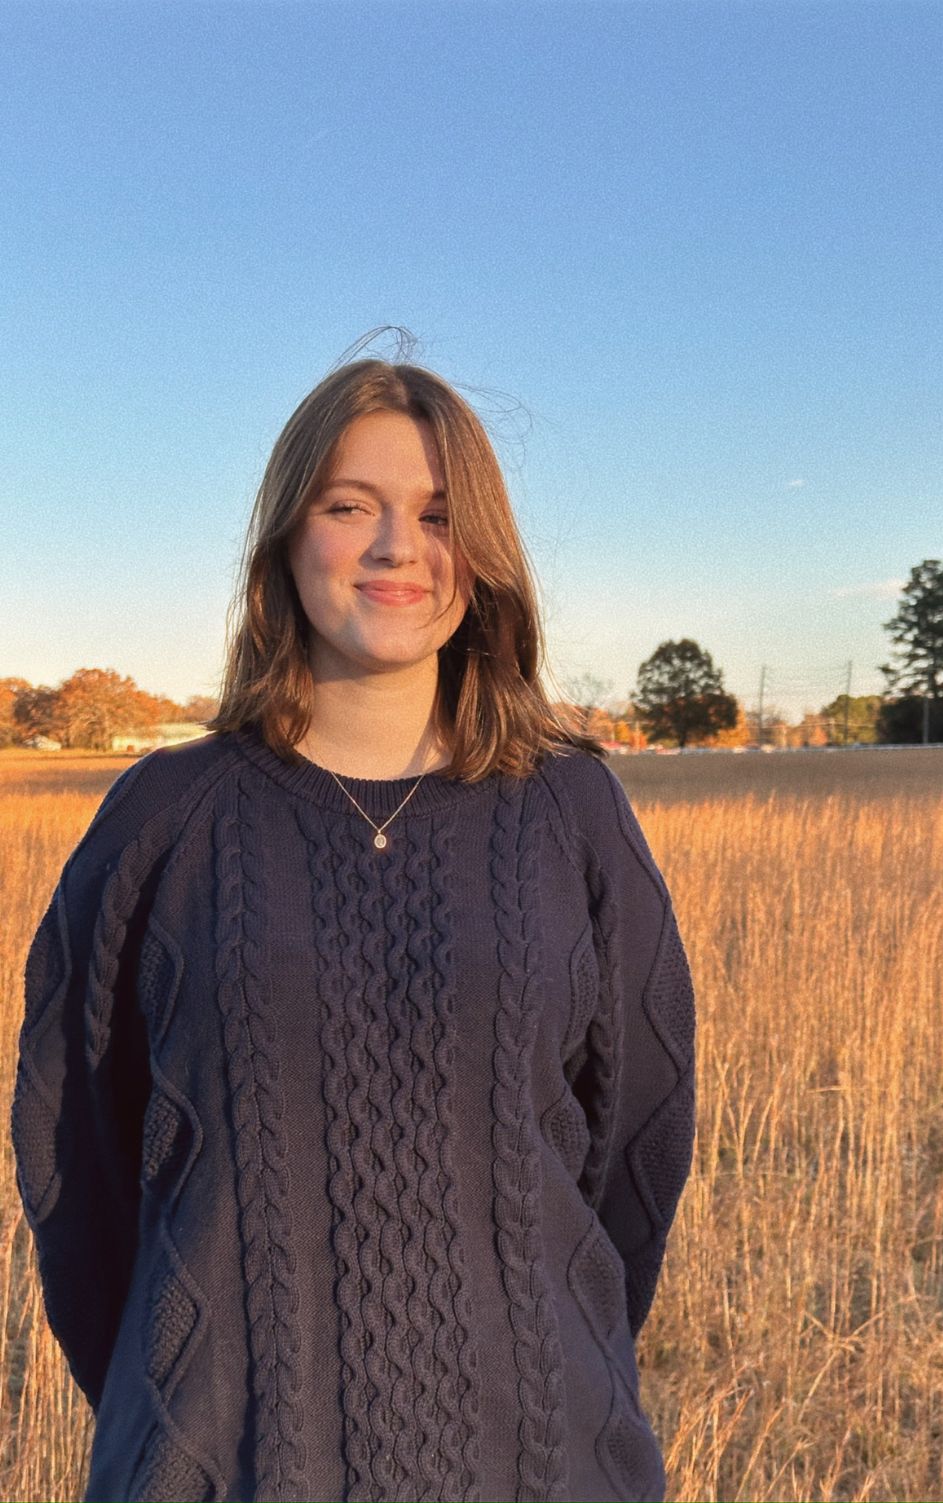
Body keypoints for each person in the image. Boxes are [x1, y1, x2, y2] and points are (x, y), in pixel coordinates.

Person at [10, 348, 697, 1503]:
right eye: (349, 507)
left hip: (541, 1461)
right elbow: (74, 1147)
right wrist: (168, 1389)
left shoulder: (572, 811)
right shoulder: (165, 817)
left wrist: (549, 1348)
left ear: (483, 555)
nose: (397, 548)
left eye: (439, 515)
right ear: (285, 535)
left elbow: (635, 1146)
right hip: (217, 1465)